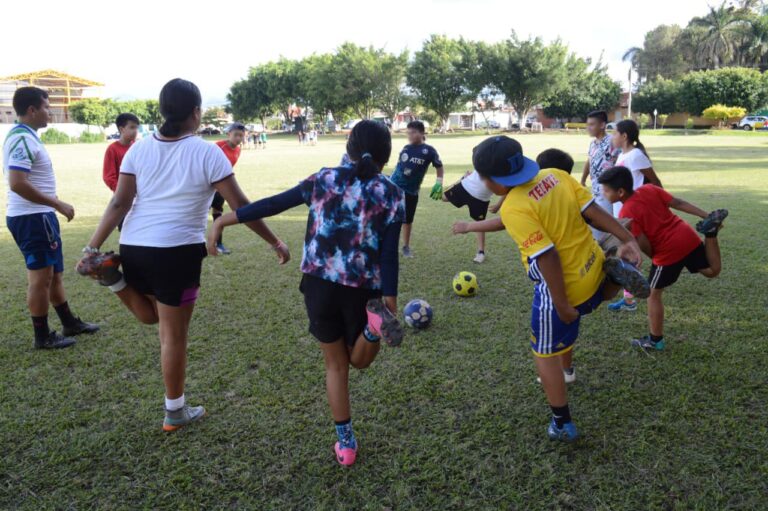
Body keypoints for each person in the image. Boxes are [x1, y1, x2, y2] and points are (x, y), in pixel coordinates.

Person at [75, 79, 289, 431]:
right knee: (172, 335)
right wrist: (274, 241)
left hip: (135, 245)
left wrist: (92, 247)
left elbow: (119, 202)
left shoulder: (138, 149)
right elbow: (241, 205)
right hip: (178, 252)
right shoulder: (207, 152)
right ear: (195, 112)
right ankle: (175, 411)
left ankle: (115, 279)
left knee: (153, 318)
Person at [208, 120, 405, 466]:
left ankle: (345, 445)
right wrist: (390, 298)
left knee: (336, 367)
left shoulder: (323, 179)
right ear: (387, 155)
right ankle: (373, 327)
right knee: (359, 361)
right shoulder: (392, 193)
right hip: (363, 290)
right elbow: (388, 254)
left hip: (318, 286)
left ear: (349, 148)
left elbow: (273, 204)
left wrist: (226, 219)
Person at [452, 136, 648, 442]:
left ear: (492, 181)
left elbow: (548, 256)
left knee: (543, 353)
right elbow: (594, 211)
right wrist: (628, 239)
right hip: (593, 265)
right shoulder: (556, 176)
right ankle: (613, 280)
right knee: (588, 303)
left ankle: (561, 422)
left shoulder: (515, 207)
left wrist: (562, 304)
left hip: (564, 287)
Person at [3, 86, 99, 350]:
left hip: (40, 217)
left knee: (54, 275)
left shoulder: (29, 137)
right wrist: (57, 203)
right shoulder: (22, 139)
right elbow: (17, 183)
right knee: (40, 279)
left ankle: (69, 323)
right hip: (32, 219)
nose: (50, 111)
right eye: (46, 107)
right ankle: (42, 336)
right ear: (32, 110)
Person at [598, 166, 727, 351]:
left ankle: (655, 340)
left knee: (652, 293)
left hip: (668, 250)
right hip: (686, 235)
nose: (604, 193)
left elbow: (642, 242)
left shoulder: (626, 214)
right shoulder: (649, 188)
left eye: (606, 190)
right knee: (711, 271)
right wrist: (706, 216)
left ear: (620, 192)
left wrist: (656, 258)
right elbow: (678, 202)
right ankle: (711, 233)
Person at [608, 119, 663, 313]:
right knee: (627, 252)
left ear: (624, 136)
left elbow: (654, 181)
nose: (612, 136)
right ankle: (629, 298)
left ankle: (633, 296)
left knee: (631, 252)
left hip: (633, 214)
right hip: (620, 212)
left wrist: (657, 204)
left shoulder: (636, 155)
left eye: (614, 133)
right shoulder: (623, 155)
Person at [389, 120, 445, 257]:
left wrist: (439, 182)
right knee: (391, 218)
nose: (410, 136)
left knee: (408, 220)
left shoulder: (429, 151)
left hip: (411, 192)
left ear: (421, 133)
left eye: (413, 133)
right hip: (395, 188)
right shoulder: (406, 148)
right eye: (408, 133)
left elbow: (439, 166)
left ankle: (406, 247)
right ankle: (389, 246)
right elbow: (398, 168)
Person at [580, 111, 621, 241]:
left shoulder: (612, 142)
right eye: (588, 124)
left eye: (592, 124)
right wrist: (582, 179)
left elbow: (621, 163)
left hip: (608, 191)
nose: (589, 128)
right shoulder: (593, 143)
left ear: (602, 125)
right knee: (597, 227)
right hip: (595, 191)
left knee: (605, 227)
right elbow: (590, 160)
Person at [442, 170, 493, 263]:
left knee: (480, 223)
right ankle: (462, 178)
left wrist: (498, 205)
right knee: (443, 197)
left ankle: (481, 252)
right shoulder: (484, 156)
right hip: (466, 186)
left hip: (481, 198)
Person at [211, 123, 245, 255]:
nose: (238, 138)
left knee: (218, 213)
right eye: (236, 135)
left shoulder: (238, 150)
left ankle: (218, 244)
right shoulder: (218, 146)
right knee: (199, 215)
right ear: (228, 134)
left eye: (241, 135)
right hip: (209, 187)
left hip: (222, 187)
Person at [103, 113, 139, 231]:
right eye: (132, 127)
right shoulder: (112, 149)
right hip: (124, 200)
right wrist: (122, 192)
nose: (135, 131)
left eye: (137, 127)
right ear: (121, 129)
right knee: (126, 231)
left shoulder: (138, 147)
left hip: (141, 199)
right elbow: (109, 176)